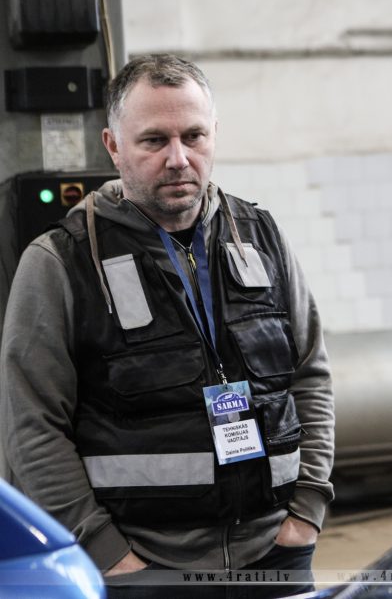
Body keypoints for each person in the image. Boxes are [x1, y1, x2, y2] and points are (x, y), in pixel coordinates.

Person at [0, 55, 335, 597]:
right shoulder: (61, 261)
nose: (178, 159)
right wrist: (107, 553)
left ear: (214, 133)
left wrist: (307, 511)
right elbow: (30, 427)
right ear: (113, 146)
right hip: (145, 568)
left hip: (276, 554)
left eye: (193, 136)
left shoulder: (260, 236)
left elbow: (310, 375)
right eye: (154, 140)